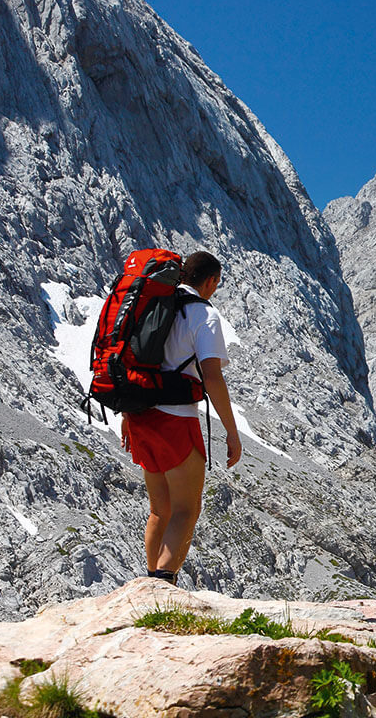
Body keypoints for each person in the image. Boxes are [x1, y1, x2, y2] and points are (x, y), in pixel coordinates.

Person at [121, 250, 242, 585]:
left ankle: (149, 583)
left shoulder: (155, 305)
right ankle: (162, 587)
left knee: (160, 510)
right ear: (211, 281)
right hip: (176, 419)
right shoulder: (203, 315)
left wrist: (127, 416)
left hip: (141, 416)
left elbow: (134, 361)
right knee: (187, 510)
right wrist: (231, 433)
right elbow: (212, 376)